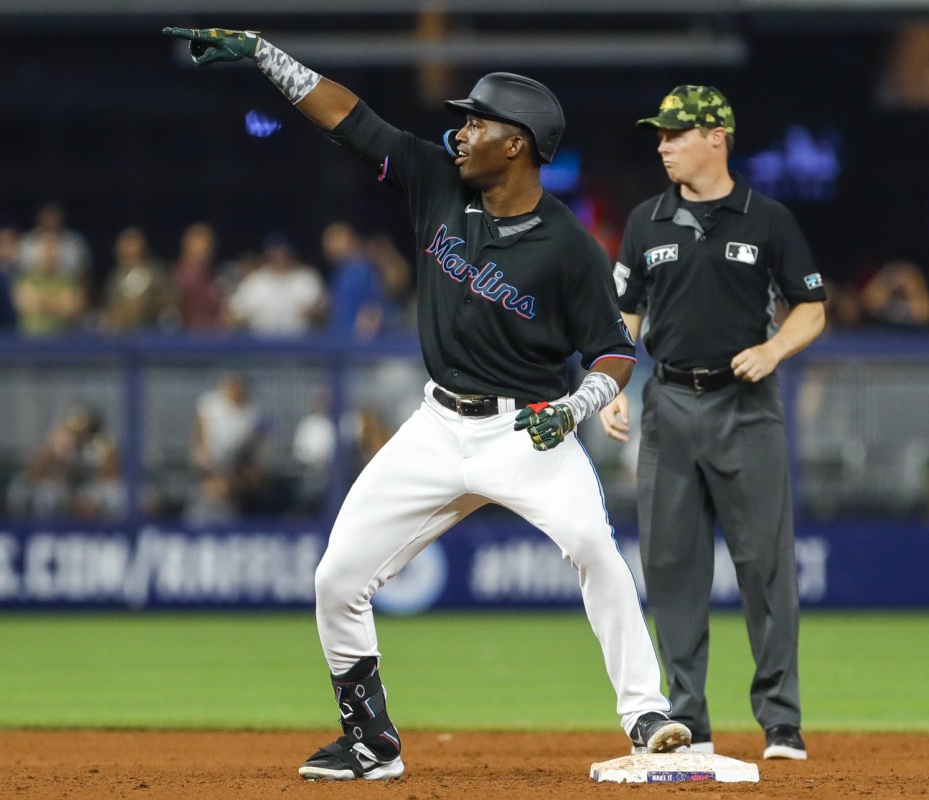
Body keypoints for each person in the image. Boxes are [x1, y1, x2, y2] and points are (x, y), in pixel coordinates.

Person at [164, 25, 690, 782]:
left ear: (516, 144)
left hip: (527, 432)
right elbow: (348, 117)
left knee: (594, 546)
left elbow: (614, 352)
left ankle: (646, 713)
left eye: (477, 122)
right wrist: (263, 55)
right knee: (336, 579)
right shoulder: (436, 180)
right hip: (437, 426)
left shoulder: (568, 247)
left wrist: (575, 410)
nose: (461, 132)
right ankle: (370, 741)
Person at [598, 86, 827, 761]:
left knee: (766, 568)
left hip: (745, 407)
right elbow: (623, 317)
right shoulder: (646, 221)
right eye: (661, 135)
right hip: (668, 403)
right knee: (671, 567)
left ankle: (780, 723)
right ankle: (688, 720)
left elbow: (812, 306)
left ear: (715, 137)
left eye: (675, 134)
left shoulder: (768, 219)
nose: (663, 146)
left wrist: (774, 349)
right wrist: (611, 385)